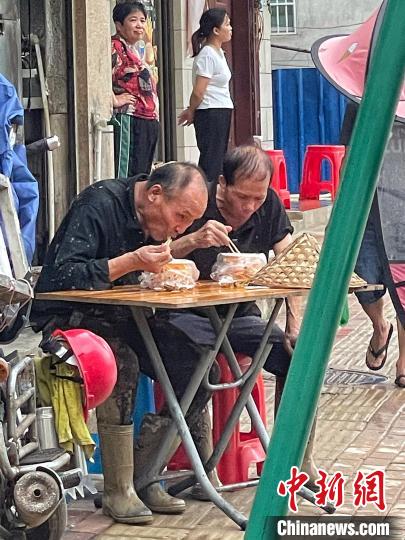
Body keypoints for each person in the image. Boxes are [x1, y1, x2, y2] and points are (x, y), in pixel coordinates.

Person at [30, 162, 208, 524]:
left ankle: (147, 475)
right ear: (154, 194)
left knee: (197, 364)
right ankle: (118, 489)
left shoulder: (155, 224)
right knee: (121, 362)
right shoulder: (99, 204)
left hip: (128, 318)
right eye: (180, 216)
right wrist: (129, 262)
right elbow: (59, 277)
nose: (180, 228)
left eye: (189, 222)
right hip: (70, 320)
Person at [145, 145, 318, 492]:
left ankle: (294, 459)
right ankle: (202, 470)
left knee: (300, 358)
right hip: (184, 313)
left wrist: (294, 323)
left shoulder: (268, 206)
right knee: (197, 366)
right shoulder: (196, 202)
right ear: (222, 184)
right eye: (242, 197)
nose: (250, 206)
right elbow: (151, 255)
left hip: (239, 315)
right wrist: (193, 239)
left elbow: (291, 266)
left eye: (258, 198)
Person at [340, 102, 405, 388]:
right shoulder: (362, 100)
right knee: (363, 280)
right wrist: (342, 209)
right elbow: (349, 157)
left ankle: (404, 360)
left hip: (402, 206)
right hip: (368, 205)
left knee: (403, 285)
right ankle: (380, 326)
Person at [178, 8, 233, 182]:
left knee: (219, 158)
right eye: (227, 24)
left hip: (221, 109)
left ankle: (213, 191)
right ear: (216, 30)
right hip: (210, 111)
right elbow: (199, 91)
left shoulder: (219, 53)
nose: (230, 28)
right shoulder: (207, 54)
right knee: (211, 159)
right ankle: (205, 192)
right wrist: (191, 110)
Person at [112, 2, 159, 177]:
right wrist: (115, 99)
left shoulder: (137, 49)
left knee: (142, 175)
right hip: (130, 119)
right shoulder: (115, 46)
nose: (139, 25)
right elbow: (98, 74)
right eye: (133, 20)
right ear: (119, 25)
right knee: (128, 175)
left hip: (147, 118)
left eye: (142, 20)